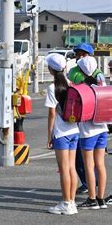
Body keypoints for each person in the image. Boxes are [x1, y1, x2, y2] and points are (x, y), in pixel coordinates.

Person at [45, 53, 79, 215]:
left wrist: (50, 135)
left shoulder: (52, 88)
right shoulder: (71, 84)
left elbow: (52, 114)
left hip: (61, 132)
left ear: (51, 69)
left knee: (64, 169)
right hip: (74, 130)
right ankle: (71, 202)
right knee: (71, 167)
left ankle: (66, 203)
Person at [74, 56, 109, 210]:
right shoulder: (102, 84)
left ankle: (92, 199)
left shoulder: (81, 87)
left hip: (88, 131)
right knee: (100, 164)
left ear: (81, 70)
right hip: (102, 128)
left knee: (89, 165)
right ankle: (101, 199)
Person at [68, 43, 96, 195]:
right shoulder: (73, 71)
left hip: (91, 121)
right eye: (78, 53)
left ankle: (91, 186)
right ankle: (88, 183)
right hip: (78, 118)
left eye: (83, 54)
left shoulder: (97, 73)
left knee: (87, 157)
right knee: (81, 157)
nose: (80, 56)